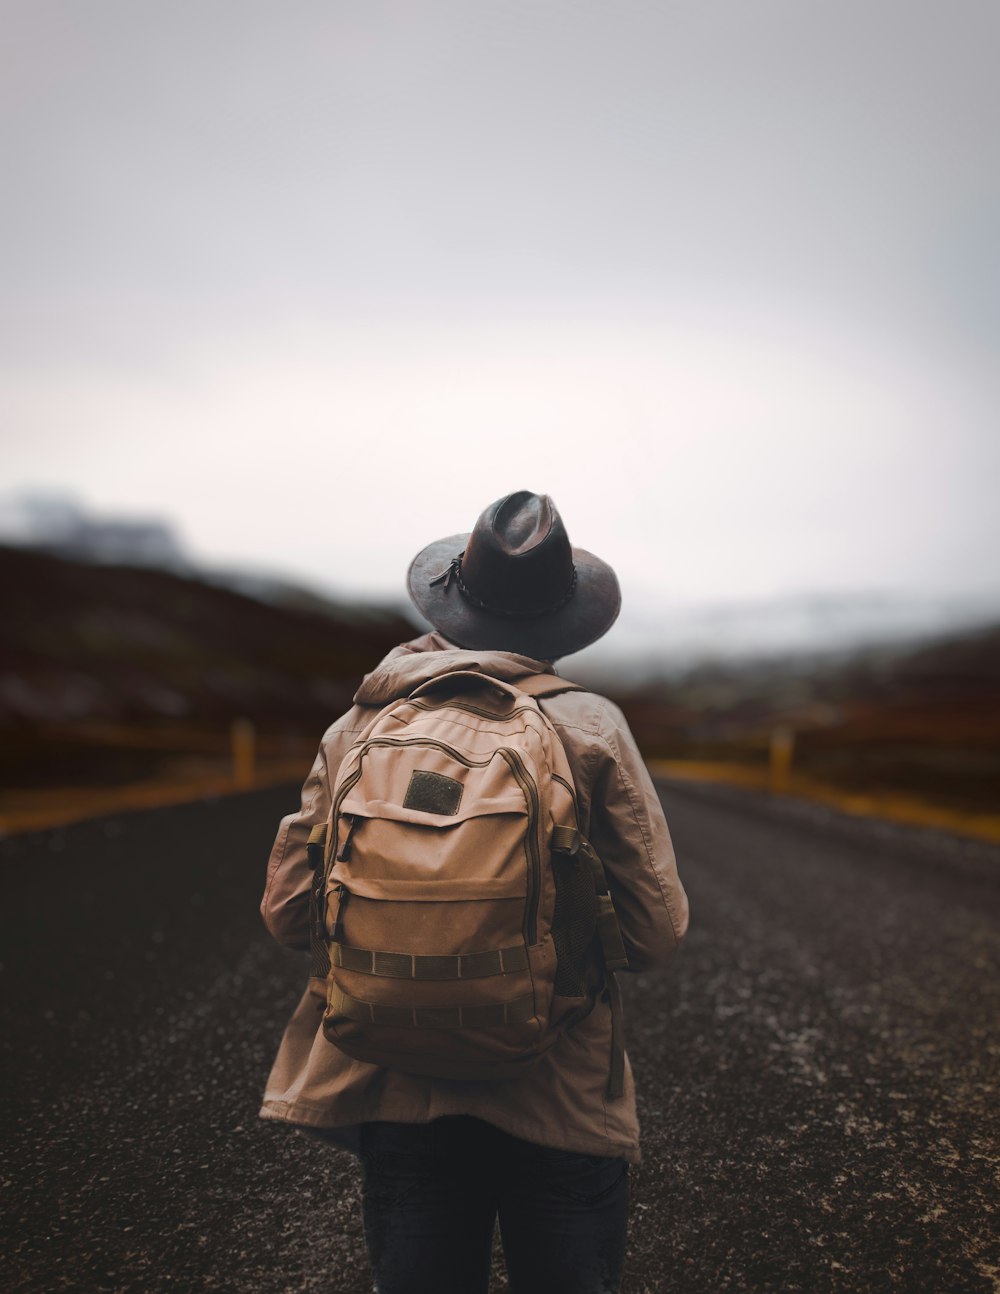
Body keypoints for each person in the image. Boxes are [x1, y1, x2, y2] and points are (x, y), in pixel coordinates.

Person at [259, 490, 689, 1294]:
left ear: (450, 604)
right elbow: (657, 931)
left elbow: (287, 916)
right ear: (563, 621)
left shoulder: (359, 726)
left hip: (395, 1083)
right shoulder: (591, 727)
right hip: (557, 1093)